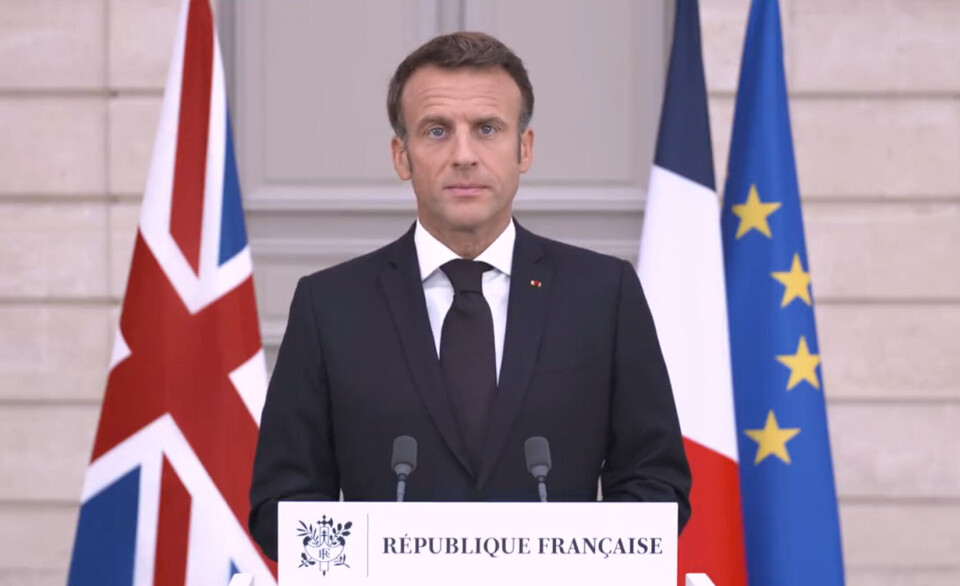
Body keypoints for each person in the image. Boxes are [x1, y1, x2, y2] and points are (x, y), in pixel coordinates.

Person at [249, 31, 690, 560]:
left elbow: (657, 484)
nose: (463, 155)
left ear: (523, 148)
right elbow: (282, 504)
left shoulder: (604, 295)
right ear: (401, 156)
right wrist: (387, 558)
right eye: (436, 131)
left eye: (487, 129)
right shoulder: (330, 306)